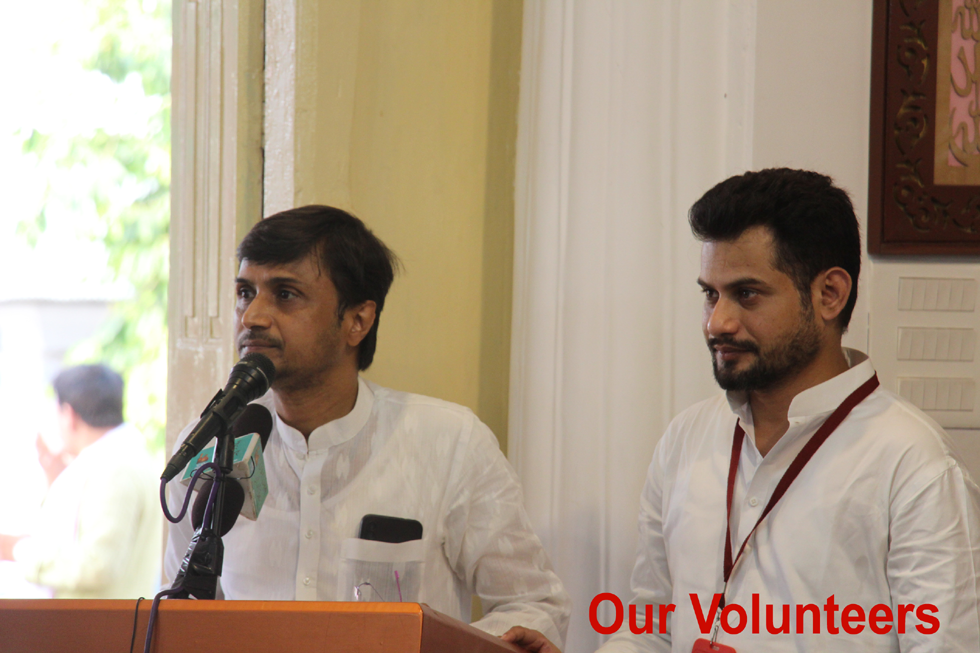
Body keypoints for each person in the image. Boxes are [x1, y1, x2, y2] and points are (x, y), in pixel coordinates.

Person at [505, 168, 980, 652]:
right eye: (710, 294)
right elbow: (655, 628)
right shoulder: (686, 438)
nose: (718, 322)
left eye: (746, 294)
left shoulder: (915, 465)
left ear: (829, 295)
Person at [164, 205, 570, 646]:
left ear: (357, 321)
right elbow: (177, 616)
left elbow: (533, 604)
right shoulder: (210, 447)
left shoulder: (450, 443)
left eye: (285, 294)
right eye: (246, 292)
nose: (252, 316)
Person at [0, 364, 161, 599]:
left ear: (69, 415)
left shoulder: (114, 468)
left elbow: (98, 567)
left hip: (99, 620)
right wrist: (56, 480)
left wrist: (18, 549)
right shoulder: (121, 458)